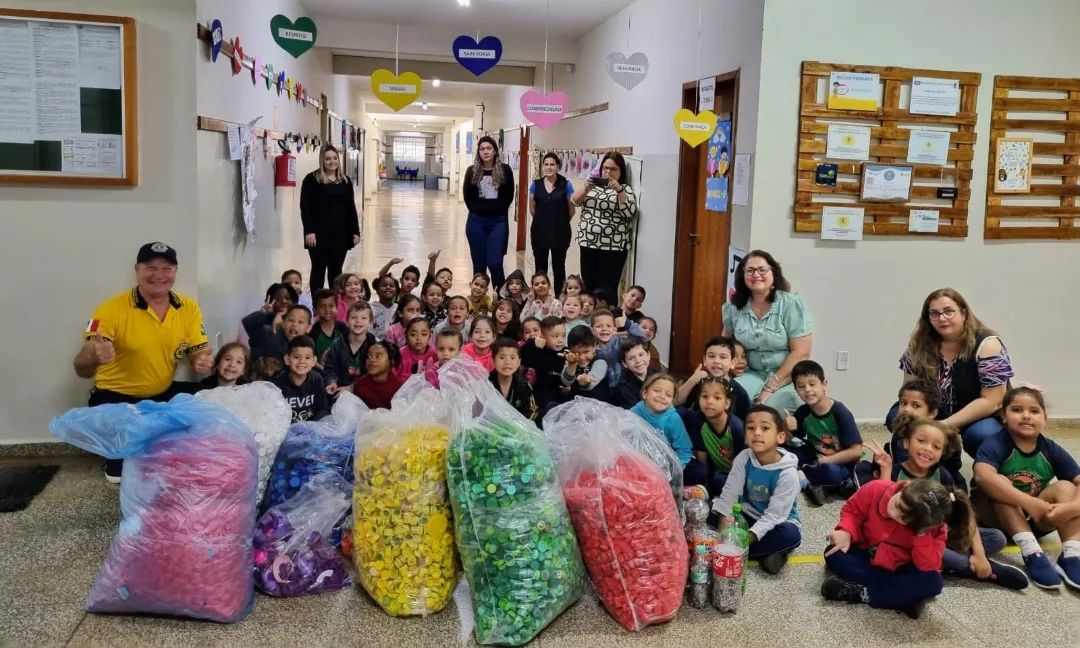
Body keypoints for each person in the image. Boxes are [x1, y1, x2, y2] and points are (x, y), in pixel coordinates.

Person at [74, 242, 214, 481]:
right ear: (137, 270)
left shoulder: (189, 308)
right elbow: (81, 368)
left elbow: (197, 352)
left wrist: (200, 361)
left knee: (207, 408)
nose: (159, 275)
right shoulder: (108, 310)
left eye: (166, 268)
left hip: (161, 395)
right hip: (116, 399)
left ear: (175, 272)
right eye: (151, 267)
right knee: (120, 474)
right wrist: (94, 356)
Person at [860, 415, 1029, 590]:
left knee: (997, 538)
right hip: (910, 539)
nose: (928, 449)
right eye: (921, 441)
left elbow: (964, 513)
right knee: (955, 559)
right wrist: (885, 469)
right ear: (906, 442)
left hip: (940, 535)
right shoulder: (896, 472)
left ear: (943, 453)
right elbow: (884, 512)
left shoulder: (943, 475)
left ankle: (954, 563)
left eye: (936, 446)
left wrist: (979, 554)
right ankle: (985, 571)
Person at [972, 386, 1080, 590]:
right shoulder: (996, 443)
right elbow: (982, 476)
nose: (1026, 416)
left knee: (1066, 487)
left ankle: (1072, 555)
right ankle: (1031, 552)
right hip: (996, 521)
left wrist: (1071, 508)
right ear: (1004, 416)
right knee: (1000, 482)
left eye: (1034, 411)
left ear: (1044, 418)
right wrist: (1030, 503)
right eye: (1017, 410)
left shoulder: (1050, 448)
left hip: (1033, 519)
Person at [890, 288, 1014, 462]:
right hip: (933, 411)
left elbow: (993, 401)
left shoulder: (988, 345)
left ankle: (987, 469)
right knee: (898, 416)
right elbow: (909, 391)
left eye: (949, 311)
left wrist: (942, 425)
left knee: (983, 434)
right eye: (934, 313)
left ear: (963, 313)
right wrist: (921, 418)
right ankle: (926, 468)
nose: (942, 318)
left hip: (980, 416)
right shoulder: (919, 344)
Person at [821, 479, 963, 619]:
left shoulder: (934, 528)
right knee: (833, 553)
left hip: (900, 568)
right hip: (866, 557)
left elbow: (928, 564)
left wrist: (921, 535)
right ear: (906, 486)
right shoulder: (876, 488)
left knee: (933, 582)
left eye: (904, 520)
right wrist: (846, 531)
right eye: (897, 505)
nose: (893, 514)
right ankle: (900, 597)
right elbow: (852, 510)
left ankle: (862, 593)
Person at [711, 404, 801, 574]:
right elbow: (729, 495)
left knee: (790, 535)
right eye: (751, 428)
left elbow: (774, 516)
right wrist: (723, 534)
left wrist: (739, 541)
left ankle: (766, 551)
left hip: (777, 522)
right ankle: (765, 554)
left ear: (780, 437)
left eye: (765, 428)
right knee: (712, 512)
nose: (757, 433)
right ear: (745, 437)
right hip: (747, 513)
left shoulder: (788, 474)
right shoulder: (744, 458)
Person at [722, 250, 813, 414]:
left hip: (787, 377)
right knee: (726, 398)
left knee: (768, 412)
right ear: (743, 276)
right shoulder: (734, 307)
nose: (756, 275)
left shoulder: (790, 304)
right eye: (750, 270)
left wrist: (770, 387)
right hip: (750, 373)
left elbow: (801, 353)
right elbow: (724, 345)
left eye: (762, 269)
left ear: (773, 273)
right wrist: (731, 366)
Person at [789, 360, 862, 506]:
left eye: (812, 384)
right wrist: (789, 428)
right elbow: (792, 440)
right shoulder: (803, 412)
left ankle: (808, 481)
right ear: (796, 390)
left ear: (824, 384)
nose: (807, 390)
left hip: (840, 462)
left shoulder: (840, 412)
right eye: (801, 386)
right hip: (815, 455)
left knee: (829, 471)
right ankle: (813, 482)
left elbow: (856, 451)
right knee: (783, 453)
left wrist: (826, 460)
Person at [572, 152, 638, 298]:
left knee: (608, 288)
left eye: (613, 169)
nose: (608, 172)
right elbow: (575, 201)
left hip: (612, 247)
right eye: (605, 168)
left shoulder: (625, 189)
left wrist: (619, 190)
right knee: (589, 285)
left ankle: (608, 312)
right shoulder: (592, 186)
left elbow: (629, 212)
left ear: (621, 171)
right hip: (588, 243)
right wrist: (586, 189)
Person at [300, 144, 361, 292]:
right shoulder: (312, 179)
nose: (332, 162)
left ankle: (335, 301)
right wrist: (309, 231)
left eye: (334, 158)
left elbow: (350, 208)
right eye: (328, 159)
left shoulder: (345, 181)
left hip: (340, 234)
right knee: (318, 269)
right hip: (318, 234)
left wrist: (356, 231)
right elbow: (305, 208)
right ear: (322, 160)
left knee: (336, 270)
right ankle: (317, 302)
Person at [463, 135, 515, 289]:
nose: (485, 152)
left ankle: (501, 298)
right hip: (476, 222)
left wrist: (495, 208)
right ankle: (478, 299)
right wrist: (480, 208)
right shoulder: (472, 171)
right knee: (479, 265)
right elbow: (468, 197)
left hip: (497, 222)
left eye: (489, 148)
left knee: (495, 263)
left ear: (495, 151)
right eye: (482, 149)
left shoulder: (505, 170)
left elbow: (509, 196)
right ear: (478, 152)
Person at [680, 377, 745, 497]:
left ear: (727, 403)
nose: (709, 401)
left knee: (719, 481)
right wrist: (704, 480)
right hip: (715, 471)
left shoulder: (736, 428)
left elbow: (744, 461)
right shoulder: (698, 420)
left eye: (717, 398)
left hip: (736, 475)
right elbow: (701, 454)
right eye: (705, 396)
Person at [529, 152, 576, 295]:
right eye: (546, 164)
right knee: (540, 268)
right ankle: (540, 298)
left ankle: (560, 299)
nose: (549, 167)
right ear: (543, 166)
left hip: (560, 234)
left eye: (552, 164)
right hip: (539, 233)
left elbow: (571, 210)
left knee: (559, 268)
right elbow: (532, 209)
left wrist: (558, 222)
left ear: (557, 166)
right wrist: (544, 222)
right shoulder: (536, 185)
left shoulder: (566, 184)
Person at [675, 336, 750, 421]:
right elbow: (676, 402)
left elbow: (743, 422)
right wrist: (693, 380)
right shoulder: (699, 382)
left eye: (723, 357)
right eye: (711, 356)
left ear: (732, 363)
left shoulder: (739, 393)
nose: (716, 361)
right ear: (705, 360)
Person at [630, 374, 691, 466]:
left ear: (672, 401)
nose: (662, 396)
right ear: (645, 393)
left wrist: (675, 469)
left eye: (668, 395)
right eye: (656, 390)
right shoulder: (636, 411)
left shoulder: (673, 419)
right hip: (638, 459)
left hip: (665, 463)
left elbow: (684, 450)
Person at [243, 303, 311, 380]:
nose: (294, 324)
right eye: (290, 320)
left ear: (308, 327)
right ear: (283, 323)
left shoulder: (308, 348)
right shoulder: (268, 336)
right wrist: (269, 315)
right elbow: (248, 322)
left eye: (300, 322)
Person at [322, 301, 376, 394]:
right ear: (347, 321)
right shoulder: (337, 345)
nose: (358, 321)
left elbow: (376, 373)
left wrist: (353, 387)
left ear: (370, 322)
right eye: (353, 317)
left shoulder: (374, 346)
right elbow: (330, 369)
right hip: (340, 391)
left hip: (366, 390)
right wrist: (332, 382)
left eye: (363, 318)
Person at [274, 336, 329, 422]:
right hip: (287, 427)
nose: (302, 361)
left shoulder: (316, 380)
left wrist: (310, 426)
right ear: (287, 359)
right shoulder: (279, 382)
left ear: (314, 361)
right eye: (296, 357)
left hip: (312, 426)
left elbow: (322, 409)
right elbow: (275, 413)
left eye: (307, 358)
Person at [520, 316, 568, 413]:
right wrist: (533, 343)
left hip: (564, 396)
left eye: (563, 336)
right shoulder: (538, 352)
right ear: (543, 336)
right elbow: (522, 356)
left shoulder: (567, 353)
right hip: (543, 397)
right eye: (555, 336)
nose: (560, 340)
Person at [592, 309, 646, 384]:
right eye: (599, 326)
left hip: (627, 384)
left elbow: (642, 338)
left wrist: (627, 323)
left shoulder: (621, 342)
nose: (604, 329)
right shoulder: (592, 351)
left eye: (608, 326)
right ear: (592, 330)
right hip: (606, 387)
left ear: (614, 329)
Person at [490, 337, 539, 422]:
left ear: (518, 362)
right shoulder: (486, 383)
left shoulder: (523, 385)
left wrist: (518, 426)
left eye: (512, 358)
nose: (507, 362)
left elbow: (531, 411)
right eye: (502, 358)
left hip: (518, 426)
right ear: (493, 361)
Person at [562, 326, 611, 403]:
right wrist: (572, 365)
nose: (582, 357)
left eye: (586, 352)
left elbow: (591, 384)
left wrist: (585, 383)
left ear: (594, 347)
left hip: (597, 405)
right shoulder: (570, 360)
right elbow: (566, 382)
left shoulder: (600, 362)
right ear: (570, 350)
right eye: (576, 353)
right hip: (575, 403)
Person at [352, 341, 404, 410]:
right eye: (369, 356)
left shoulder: (400, 388)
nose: (372, 360)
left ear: (391, 360)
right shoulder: (359, 385)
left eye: (378, 356)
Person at [610, 339, 653, 409]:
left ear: (648, 355)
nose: (638, 361)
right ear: (624, 363)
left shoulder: (657, 375)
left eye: (641, 355)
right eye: (631, 358)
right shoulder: (623, 388)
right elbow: (634, 413)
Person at [310, 289, 348, 361]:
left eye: (331, 306)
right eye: (322, 306)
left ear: (337, 308)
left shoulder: (342, 327)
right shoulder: (313, 331)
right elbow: (311, 357)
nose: (327, 310)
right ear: (315, 310)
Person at [370, 274, 399, 340]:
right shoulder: (371, 308)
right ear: (377, 290)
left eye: (392, 286)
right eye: (384, 285)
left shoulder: (398, 308)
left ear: (396, 291)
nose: (388, 287)